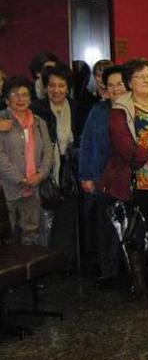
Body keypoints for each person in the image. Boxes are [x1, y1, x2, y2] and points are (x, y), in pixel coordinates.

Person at [102, 58, 148, 297]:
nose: (145, 81)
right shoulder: (119, 107)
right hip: (132, 178)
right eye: (139, 77)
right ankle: (139, 282)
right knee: (134, 229)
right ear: (129, 82)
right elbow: (121, 142)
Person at [79, 65, 127, 285]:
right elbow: (87, 142)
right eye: (111, 85)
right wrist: (86, 175)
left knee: (129, 226)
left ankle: (131, 271)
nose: (116, 88)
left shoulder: (135, 109)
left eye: (120, 83)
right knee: (105, 227)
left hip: (128, 178)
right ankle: (110, 272)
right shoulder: (98, 110)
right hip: (101, 177)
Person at [33, 64, 80, 259]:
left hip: (70, 169)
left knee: (67, 219)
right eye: (51, 85)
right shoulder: (37, 109)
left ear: (67, 87)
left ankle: (64, 260)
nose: (56, 90)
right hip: (46, 168)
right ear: (45, 87)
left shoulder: (76, 108)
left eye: (61, 85)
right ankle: (44, 260)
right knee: (45, 220)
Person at [0, 77, 53, 245]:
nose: (21, 99)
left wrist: (40, 175)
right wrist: (20, 179)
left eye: (25, 94)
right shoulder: (2, 121)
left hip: (33, 186)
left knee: (31, 234)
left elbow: (48, 152)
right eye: (15, 95)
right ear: (7, 99)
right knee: (5, 236)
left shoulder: (39, 122)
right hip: (6, 187)